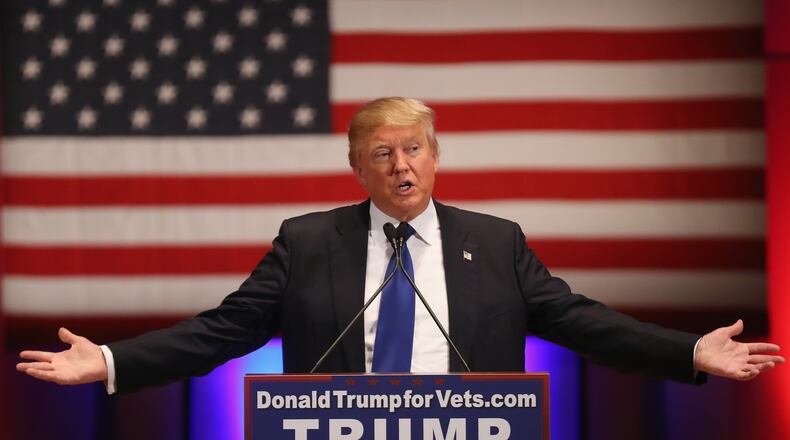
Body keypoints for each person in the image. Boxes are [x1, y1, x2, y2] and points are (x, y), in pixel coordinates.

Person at [17, 97, 784, 394]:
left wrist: (688, 351)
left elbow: (581, 321)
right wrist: (112, 360)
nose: (401, 165)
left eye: (414, 149)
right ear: (358, 168)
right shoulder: (307, 241)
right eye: (381, 153)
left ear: (437, 157)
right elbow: (224, 331)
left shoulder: (496, 240)